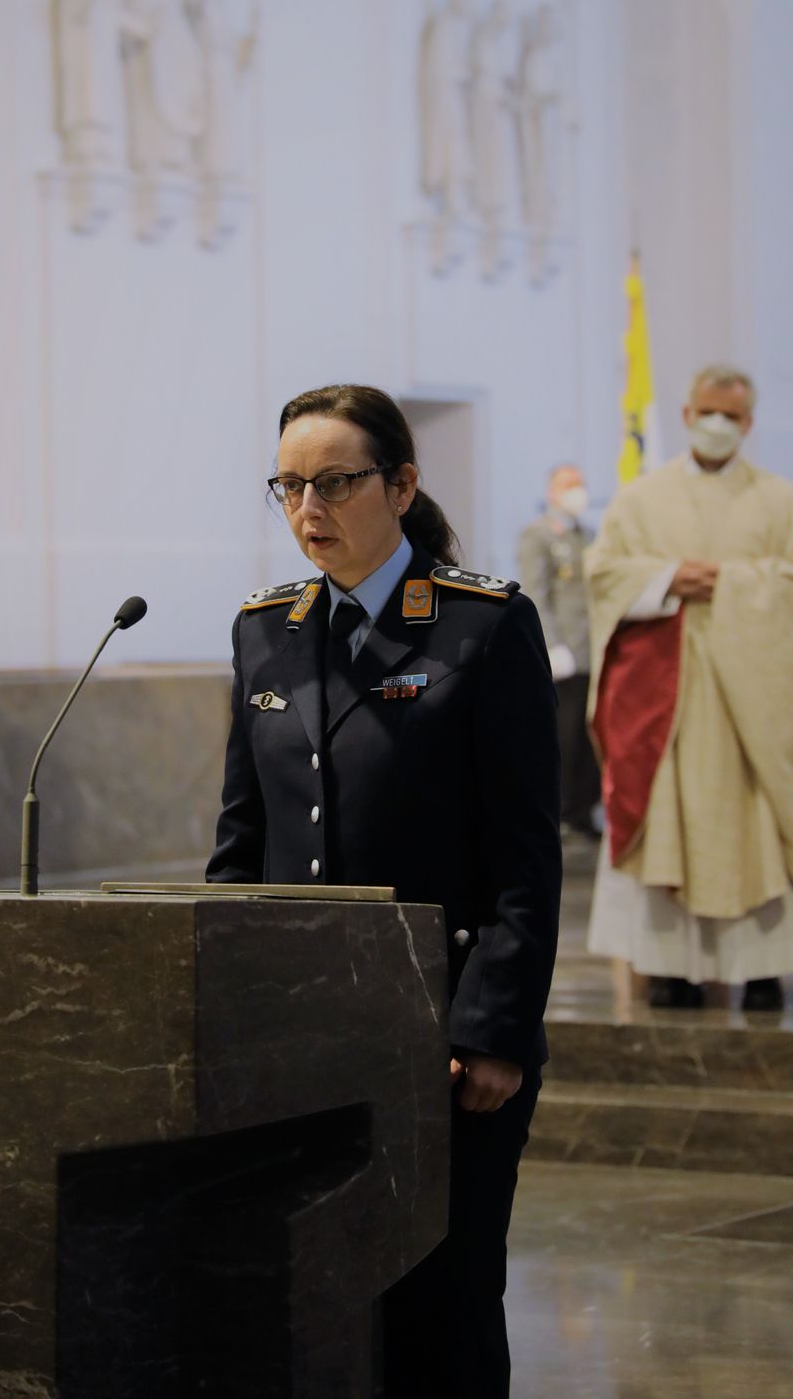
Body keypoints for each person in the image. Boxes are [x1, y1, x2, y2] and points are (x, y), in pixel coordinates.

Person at [208, 384, 561, 1398]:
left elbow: (525, 855)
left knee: (438, 1300)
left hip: (443, 1033)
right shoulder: (265, 632)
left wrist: (493, 1028)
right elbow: (243, 840)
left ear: (401, 485)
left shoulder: (482, 626)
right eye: (288, 486)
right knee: (306, 1297)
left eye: (334, 482)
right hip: (300, 1029)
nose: (307, 508)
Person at [584, 365, 793, 1012]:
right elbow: (604, 575)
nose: (719, 424)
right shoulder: (641, 500)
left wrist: (730, 584)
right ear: (687, 414)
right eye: (708, 411)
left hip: (753, 706)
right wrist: (668, 579)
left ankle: (762, 969)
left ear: (749, 423)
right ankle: (674, 968)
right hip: (668, 706)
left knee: (757, 832)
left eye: (733, 415)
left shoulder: (783, 502)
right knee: (672, 827)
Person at [517, 463, 601, 840]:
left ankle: (584, 811)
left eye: (579, 484)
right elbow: (536, 592)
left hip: (593, 654)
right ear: (551, 492)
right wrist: (551, 645)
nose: (576, 491)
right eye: (568, 485)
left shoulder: (588, 536)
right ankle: (563, 816)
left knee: (590, 737)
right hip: (564, 656)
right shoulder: (539, 536)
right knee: (564, 738)